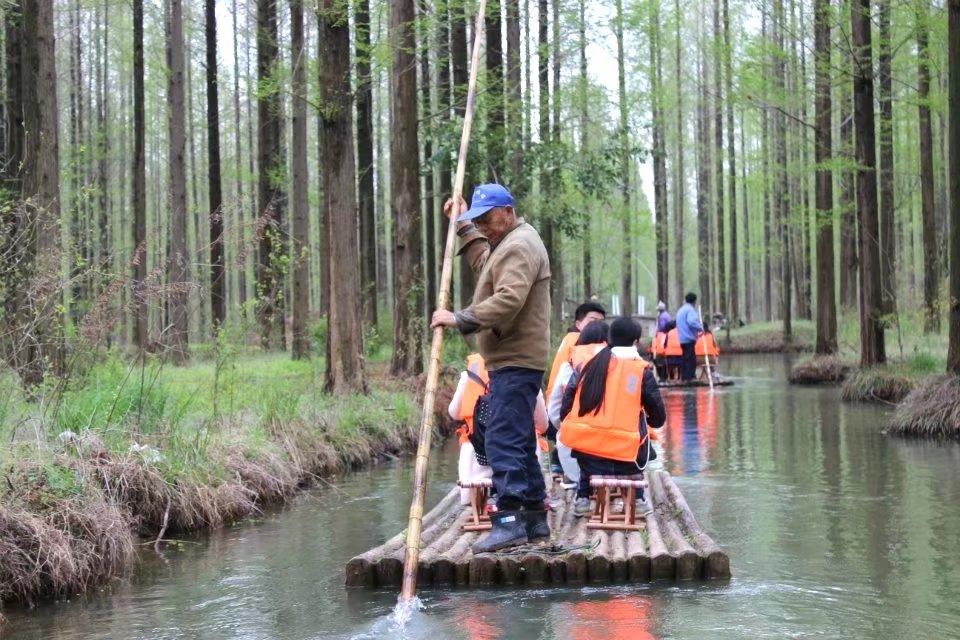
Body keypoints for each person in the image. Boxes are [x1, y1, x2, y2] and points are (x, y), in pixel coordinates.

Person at [431, 183, 552, 553]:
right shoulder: (509, 242)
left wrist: (460, 317)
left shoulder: (520, 245)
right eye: (477, 220)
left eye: (486, 218)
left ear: (508, 212)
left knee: (502, 439)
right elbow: (486, 264)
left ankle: (510, 519)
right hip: (511, 358)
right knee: (516, 440)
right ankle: (534, 518)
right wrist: (463, 226)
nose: (482, 225)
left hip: (516, 359)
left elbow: (509, 299)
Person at [558, 318, 666, 516]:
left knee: (589, 437)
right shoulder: (641, 371)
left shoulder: (585, 366)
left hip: (589, 458)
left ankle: (583, 497)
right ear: (635, 341)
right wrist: (649, 422)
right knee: (640, 424)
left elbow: (565, 407)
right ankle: (638, 498)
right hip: (626, 457)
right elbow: (658, 417)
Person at [448, 353, 548, 505]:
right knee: (532, 434)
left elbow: (454, 413)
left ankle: (478, 499)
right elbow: (543, 424)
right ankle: (528, 498)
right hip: (519, 457)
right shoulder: (526, 374)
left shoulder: (468, 375)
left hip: (477, 457)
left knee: (468, 435)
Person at [546, 321, 610, 488]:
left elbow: (554, 410)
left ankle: (576, 481)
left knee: (564, 436)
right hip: (615, 455)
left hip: (573, 452)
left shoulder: (568, 367)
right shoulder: (621, 367)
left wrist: (563, 427)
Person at [675, 292, 704, 382]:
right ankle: (690, 377)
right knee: (691, 359)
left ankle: (684, 377)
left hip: (682, 338)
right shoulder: (690, 310)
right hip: (688, 338)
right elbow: (691, 322)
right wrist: (700, 328)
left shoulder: (681, 310)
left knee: (685, 358)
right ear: (694, 301)